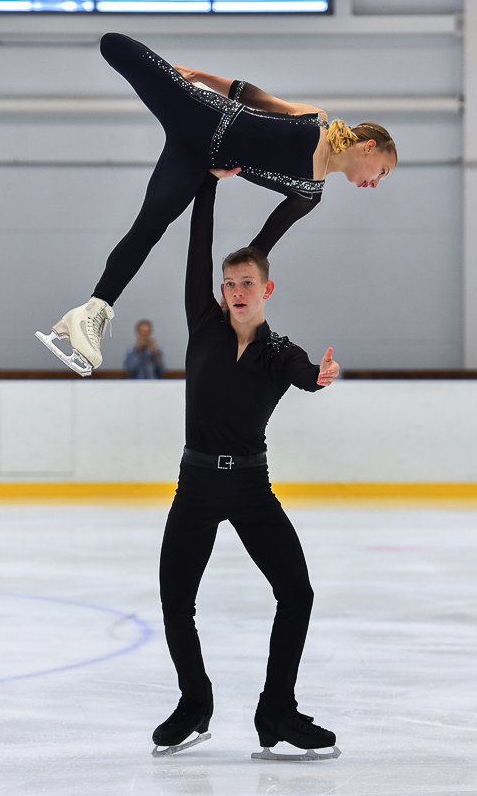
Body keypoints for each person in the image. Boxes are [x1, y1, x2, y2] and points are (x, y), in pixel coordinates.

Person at [35, 32, 397, 376]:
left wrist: (235, 296)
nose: (375, 183)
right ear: (369, 147)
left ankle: (91, 311)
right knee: (112, 45)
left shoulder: (308, 194)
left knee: (149, 228)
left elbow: (259, 249)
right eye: (381, 171)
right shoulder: (315, 119)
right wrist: (200, 76)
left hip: (195, 161)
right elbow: (258, 98)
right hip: (196, 109)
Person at [151, 168, 341, 760]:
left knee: (297, 593)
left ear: (267, 290)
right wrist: (207, 185)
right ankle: (194, 702)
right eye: (229, 282)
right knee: (175, 599)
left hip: (252, 489)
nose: (236, 290)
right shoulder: (203, 324)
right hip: (197, 484)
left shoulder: (279, 353)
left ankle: (276, 709)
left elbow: (304, 377)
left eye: (247, 283)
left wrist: (319, 377)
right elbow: (195, 246)